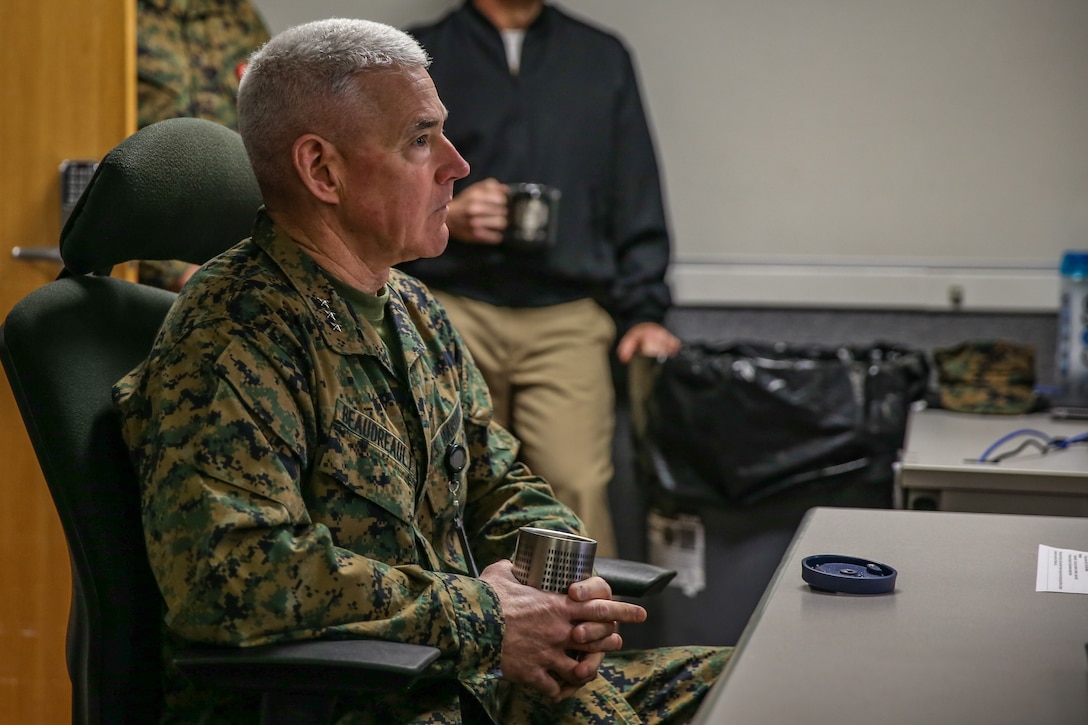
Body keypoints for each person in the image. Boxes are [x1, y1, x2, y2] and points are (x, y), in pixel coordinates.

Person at [114, 17, 728, 723]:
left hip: (470, 672)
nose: (458, 165)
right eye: (420, 139)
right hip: (370, 701)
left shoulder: (413, 309)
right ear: (323, 170)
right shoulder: (233, 336)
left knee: (752, 679)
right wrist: (489, 615)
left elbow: (499, 481)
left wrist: (564, 591)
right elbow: (233, 578)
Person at [402, 0, 681, 558]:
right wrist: (446, 216)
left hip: (568, 313)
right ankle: (457, 633)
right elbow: (385, 179)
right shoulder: (416, 56)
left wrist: (645, 311)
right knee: (442, 488)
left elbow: (635, 187)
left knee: (575, 487)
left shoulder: (600, 57)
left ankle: (586, 636)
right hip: (451, 307)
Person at [136, 0, 270, 291]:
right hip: (145, 263)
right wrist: (173, 272)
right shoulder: (116, 16)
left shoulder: (236, 14)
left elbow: (271, 130)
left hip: (240, 259)